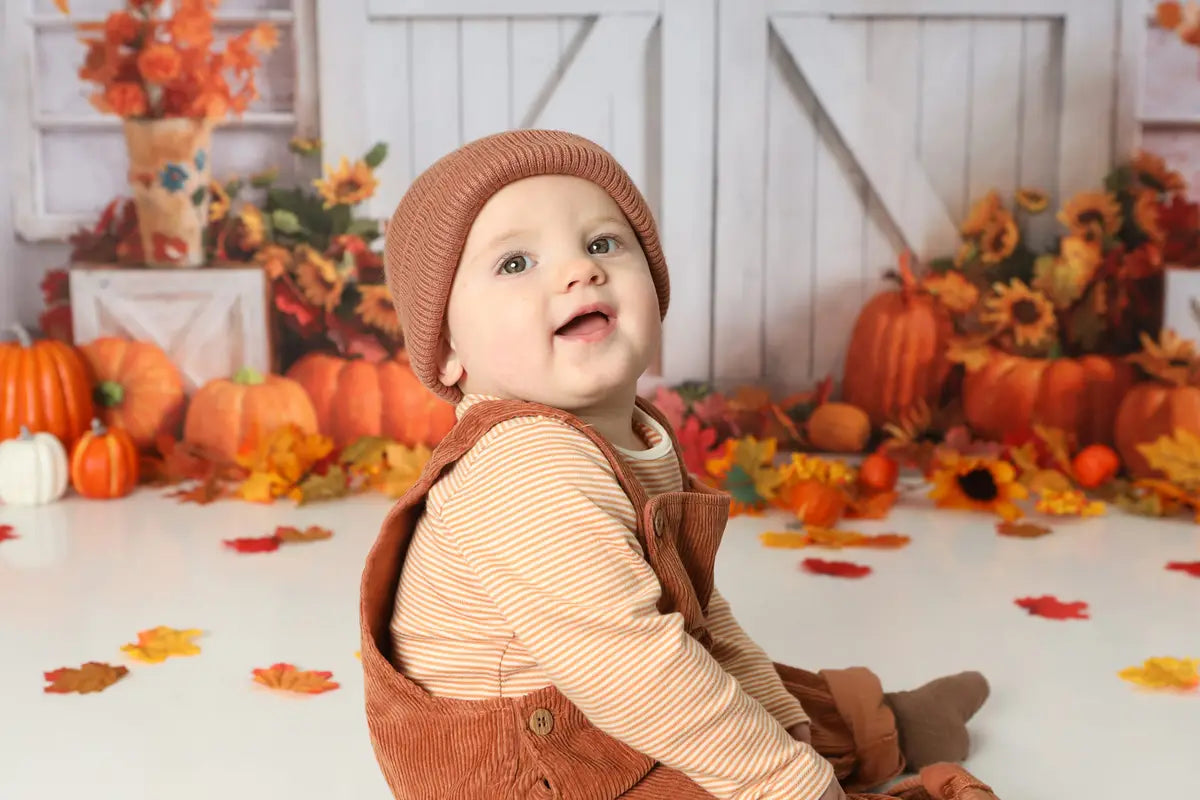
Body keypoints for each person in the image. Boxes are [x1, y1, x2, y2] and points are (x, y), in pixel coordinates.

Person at [359, 128, 997, 800]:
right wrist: (787, 781)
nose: (580, 271)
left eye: (602, 243)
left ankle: (884, 725)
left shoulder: (625, 429)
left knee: (755, 698)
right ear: (448, 349)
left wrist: (780, 719)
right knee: (715, 745)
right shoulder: (526, 466)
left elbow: (693, 607)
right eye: (516, 263)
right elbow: (633, 668)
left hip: (603, 700)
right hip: (524, 769)